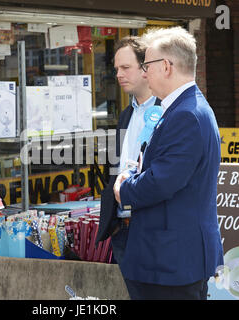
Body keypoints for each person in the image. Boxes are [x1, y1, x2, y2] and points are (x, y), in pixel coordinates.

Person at [113, 27, 224, 300]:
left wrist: (123, 189)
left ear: (166, 66)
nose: (144, 72)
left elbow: (161, 181)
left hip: (173, 260)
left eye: (147, 65)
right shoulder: (180, 108)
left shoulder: (186, 114)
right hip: (171, 257)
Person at [96, 36, 160, 265]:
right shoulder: (125, 114)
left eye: (125, 67)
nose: (118, 74)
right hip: (121, 227)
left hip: (152, 228)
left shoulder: (169, 111)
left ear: (146, 69)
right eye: (116, 69)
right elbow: (117, 166)